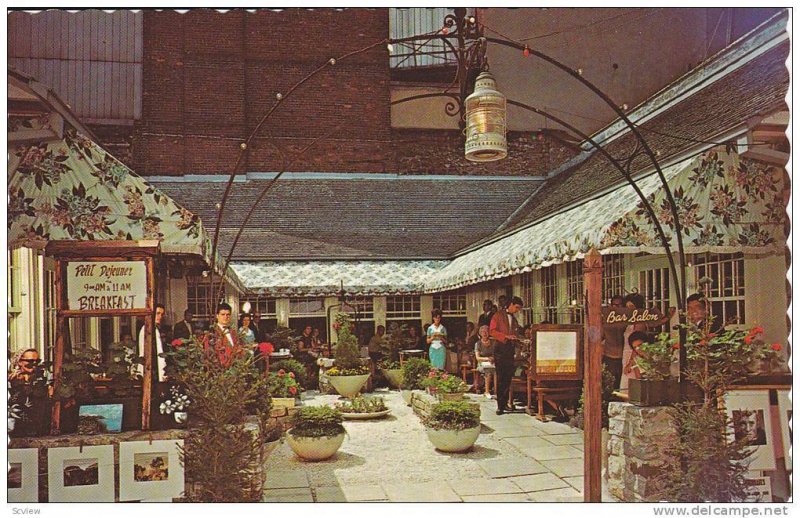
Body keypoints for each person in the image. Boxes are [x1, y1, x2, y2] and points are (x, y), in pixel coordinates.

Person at [491, 295, 523, 415]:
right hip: (500, 349)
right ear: (511, 304)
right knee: (500, 378)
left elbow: (515, 333)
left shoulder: (514, 320)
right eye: (517, 307)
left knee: (508, 378)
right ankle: (500, 406)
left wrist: (517, 339)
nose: (517, 310)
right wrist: (506, 337)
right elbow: (492, 331)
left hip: (510, 349)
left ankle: (505, 404)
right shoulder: (497, 315)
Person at [9, 348, 51, 436]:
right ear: (20, 362)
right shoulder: (11, 379)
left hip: (39, 426)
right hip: (16, 426)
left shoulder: (42, 378)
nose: (34, 364)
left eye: (37, 361)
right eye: (30, 361)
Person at [138, 303, 168, 383]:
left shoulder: (155, 329)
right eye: (158, 314)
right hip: (150, 371)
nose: (160, 317)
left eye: (161, 314)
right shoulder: (146, 329)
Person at [602, 294, 626, 390]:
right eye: (614, 305)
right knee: (610, 385)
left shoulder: (627, 320)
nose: (616, 308)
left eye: (619, 305)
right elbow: (597, 337)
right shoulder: (605, 320)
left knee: (622, 386)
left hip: (624, 358)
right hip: (609, 357)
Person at [474, 325, 496, 398]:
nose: (484, 333)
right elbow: (478, 358)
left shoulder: (493, 342)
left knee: (497, 371)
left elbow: (496, 354)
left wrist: (492, 358)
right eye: (483, 332)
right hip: (482, 364)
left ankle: (496, 391)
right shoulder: (478, 344)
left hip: (493, 362)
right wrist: (487, 359)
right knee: (488, 371)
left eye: (486, 332)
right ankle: (487, 391)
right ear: (480, 333)